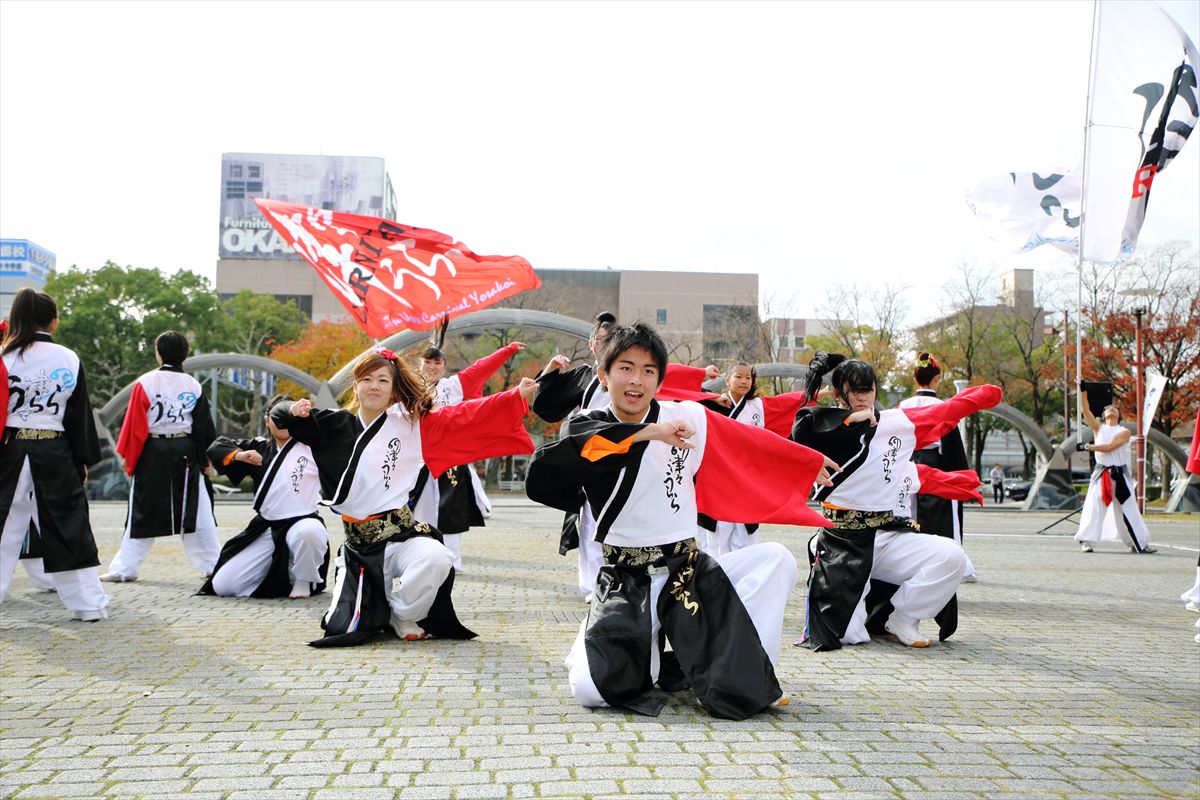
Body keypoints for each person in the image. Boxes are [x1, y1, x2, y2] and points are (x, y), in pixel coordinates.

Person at [525, 322, 839, 720]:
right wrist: (651, 432)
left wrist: (803, 462)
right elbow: (590, 449)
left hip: (688, 572)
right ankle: (628, 649)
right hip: (629, 581)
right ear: (604, 375)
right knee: (592, 689)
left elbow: (745, 441)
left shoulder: (689, 417)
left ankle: (746, 670)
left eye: (649, 370)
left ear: (659, 378)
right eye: (625, 368)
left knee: (776, 559)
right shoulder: (587, 423)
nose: (636, 380)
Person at [271, 347, 538, 647]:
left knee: (438, 558)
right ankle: (377, 604)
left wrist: (514, 397)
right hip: (360, 548)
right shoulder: (333, 424)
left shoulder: (412, 426)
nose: (374, 386)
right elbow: (280, 416)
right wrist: (292, 409)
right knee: (341, 626)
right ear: (356, 384)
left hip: (401, 536)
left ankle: (401, 612)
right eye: (367, 379)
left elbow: (465, 416)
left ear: (394, 388)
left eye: (383, 380)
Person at [791, 357, 1001, 650]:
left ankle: (904, 617)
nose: (863, 396)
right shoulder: (821, 428)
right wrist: (849, 423)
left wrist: (971, 403)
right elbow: (797, 435)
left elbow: (939, 418)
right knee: (848, 635)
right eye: (854, 390)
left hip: (885, 537)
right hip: (842, 543)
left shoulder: (893, 424)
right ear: (839, 394)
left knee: (952, 557)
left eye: (868, 389)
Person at [533, 312, 721, 601]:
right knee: (593, 528)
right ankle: (596, 586)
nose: (635, 378)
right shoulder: (585, 378)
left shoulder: (642, 383)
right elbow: (550, 409)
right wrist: (548, 373)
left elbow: (663, 374)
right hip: (599, 456)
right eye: (600, 339)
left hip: (641, 453)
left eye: (646, 371)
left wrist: (699, 377)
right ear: (594, 348)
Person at [0, 288, 109, 621]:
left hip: (10, 449)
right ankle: (88, 605)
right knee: (69, 525)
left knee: (4, 527)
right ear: (53, 320)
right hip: (55, 449)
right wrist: (82, 460)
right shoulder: (68, 358)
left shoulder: (4, 356)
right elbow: (78, 416)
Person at [103, 331, 220, 582]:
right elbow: (203, 428)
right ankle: (212, 564)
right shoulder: (194, 385)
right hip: (186, 452)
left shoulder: (145, 382)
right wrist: (206, 460)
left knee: (142, 508)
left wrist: (130, 459)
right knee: (197, 510)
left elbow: (135, 426)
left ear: (158, 353)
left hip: (153, 450)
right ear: (185, 354)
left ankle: (125, 568)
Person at [198, 401, 329, 599]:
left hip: (304, 521)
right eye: (277, 419)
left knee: (309, 532)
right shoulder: (259, 446)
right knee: (223, 585)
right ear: (268, 421)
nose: (283, 423)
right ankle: (277, 575)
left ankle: (304, 579)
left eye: (288, 418)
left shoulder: (314, 447)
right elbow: (217, 446)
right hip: (267, 526)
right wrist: (240, 455)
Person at [415, 341, 525, 571]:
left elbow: (480, 368)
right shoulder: (407, 388)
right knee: (418, 512)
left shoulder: (452, 386)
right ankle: (421, 557)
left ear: (444, 366)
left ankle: (452, 561)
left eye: (437, 362)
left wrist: (507, 351)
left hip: (451, 459)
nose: (432, 367)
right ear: (419, 364)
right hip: (417, 460)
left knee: (451, 511)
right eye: (427, 362)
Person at [697, 361, 817, 556]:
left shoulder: (757, 407)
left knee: (746, 543)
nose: (744, 381)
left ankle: (743, 584)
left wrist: (819, 393)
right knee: (716, 545)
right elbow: (682, 394)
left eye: (748, 377)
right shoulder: (709, 404)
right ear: (727, 381)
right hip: (717, 482)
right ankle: (715, 584)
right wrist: (701, 373)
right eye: (738, 376)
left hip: (745, 482)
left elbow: (787, 403)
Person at [898, 353, 977, 581]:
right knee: (946, 518)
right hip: (937, 464)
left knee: (909, 515)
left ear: (916, 379)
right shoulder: (943, 406)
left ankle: (910, 565)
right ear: (937, 379)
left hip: (909, 464)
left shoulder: (904, 405)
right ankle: (953, 565)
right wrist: (959, 475)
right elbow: (950, 445)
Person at [1074, 391, 1155, 554]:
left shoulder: (1124, 431)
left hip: (1120, 475)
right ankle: (1087, 541)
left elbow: (1110, 447)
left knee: (1128, 509)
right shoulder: (1098, 428)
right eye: (1107, 408)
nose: (1110, 409)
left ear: (1119, 414)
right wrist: (1082, 392)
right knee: (1094, 507)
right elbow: (1086, 411)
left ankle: (1138, 542)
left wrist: (1088, 446)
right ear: (1103, 415)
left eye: (1114, 408)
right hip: (1101, 474)